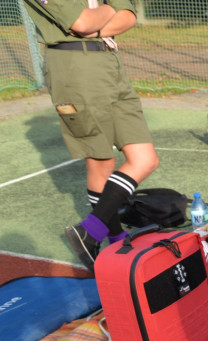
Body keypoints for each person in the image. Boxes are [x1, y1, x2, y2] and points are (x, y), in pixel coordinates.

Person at [24, 0, 160, 273]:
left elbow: (128, 16)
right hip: (74, 65)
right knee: (101, 161)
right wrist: (106, 14)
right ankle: (116, 241)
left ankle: (90, 231)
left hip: (110, 62)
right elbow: (81, 22)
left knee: (145, 159)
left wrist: (97, 27)